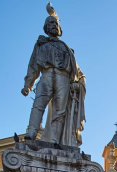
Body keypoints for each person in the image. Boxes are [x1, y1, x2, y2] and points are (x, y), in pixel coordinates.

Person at [22, 3, 86, 146]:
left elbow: (78, 72)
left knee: (60, 111)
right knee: (39, 104)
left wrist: (78, 83)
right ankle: (31, 133)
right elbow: (33, 66)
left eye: (56, 23)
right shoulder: (41, 44)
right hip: (46, 75)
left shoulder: (67, 48)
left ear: (60, 28)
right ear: (45, 27)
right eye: (50, 23)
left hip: (63, 78)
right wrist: (28, 84)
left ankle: (54, 140)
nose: (53, 25)